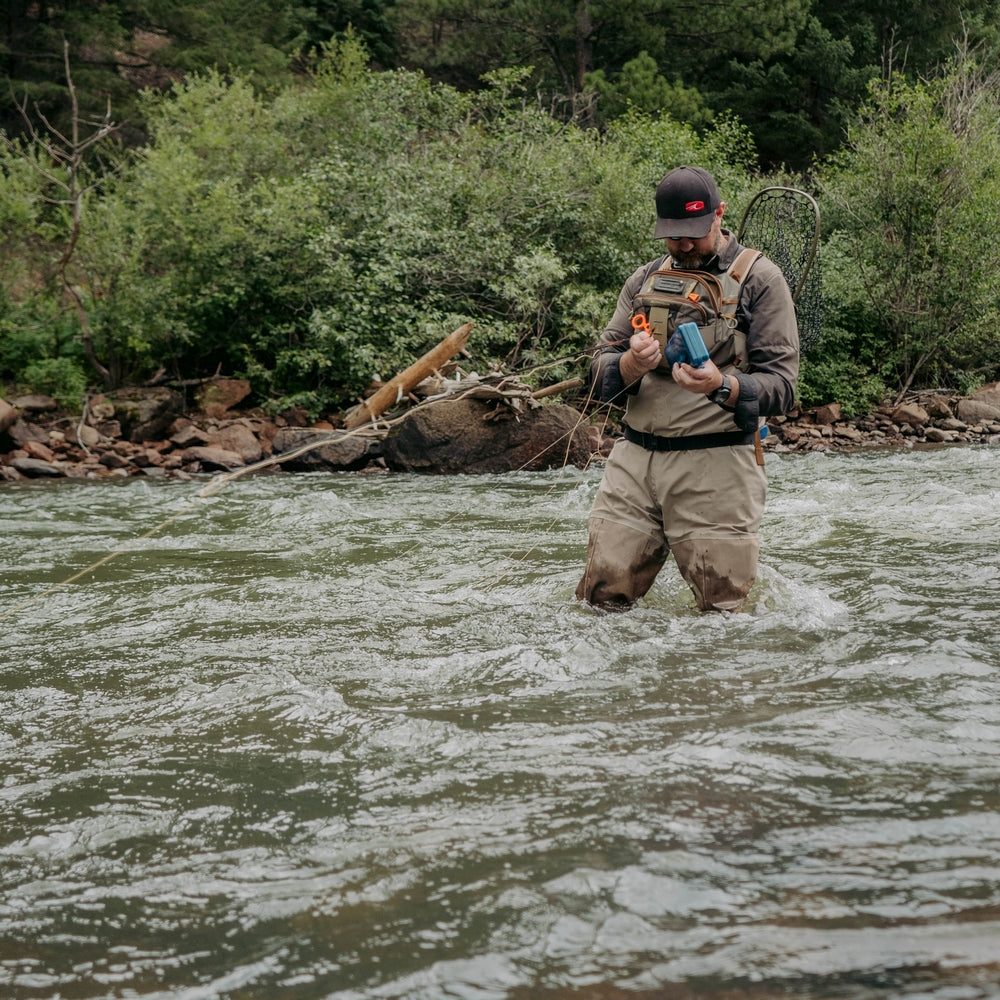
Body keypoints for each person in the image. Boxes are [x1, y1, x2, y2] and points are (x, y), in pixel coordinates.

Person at [575, 165, 799, 612]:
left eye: (694, 232)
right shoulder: (642, 280)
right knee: (598, 605)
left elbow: (784, 388)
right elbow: (596, 373)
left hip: (717, 466)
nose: (683, 245)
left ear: (720, 214)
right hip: (634, 463)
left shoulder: (760, 280)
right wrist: (630, 364)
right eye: (674, 234)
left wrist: (722, 384)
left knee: (723, 616)